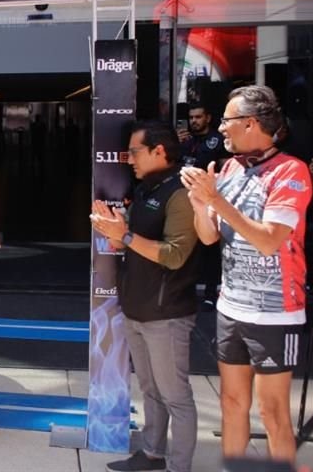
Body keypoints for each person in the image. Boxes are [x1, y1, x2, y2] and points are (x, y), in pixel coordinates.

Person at [180, 85, 312, 467]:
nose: (221, 128)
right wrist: (199, 203)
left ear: (251, 123)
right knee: (232, 404)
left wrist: (216, 199)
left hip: (275, 312)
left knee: (273, 414)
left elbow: (270, 240)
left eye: (226, 120)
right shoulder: (229, 168)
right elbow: (207, 237)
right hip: (230, 306)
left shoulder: (291, 171)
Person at [90, 122, 200, 472]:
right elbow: (134, 240)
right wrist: (116, 228)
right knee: (151, 391)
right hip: (139, 307)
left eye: (134, 151)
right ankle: (153, 454)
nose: (128, 159)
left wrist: (124, 236)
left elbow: (175, 254)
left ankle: (179, 466)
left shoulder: (181, 193)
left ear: (159, 151)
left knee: (176, 397)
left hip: (166, 312)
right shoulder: (146, 189)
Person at [178, 104, 228, 304]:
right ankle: (184, 289)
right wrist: (176, 143)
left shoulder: (218, 140)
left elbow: (225, 171)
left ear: (208, 117)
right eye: (191, 118)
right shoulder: (185, 140)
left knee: (210, 247)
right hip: (183, 197)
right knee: (187, 245)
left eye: (198, 117)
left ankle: (210, 292)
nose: (194, 121)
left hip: (208, 198)